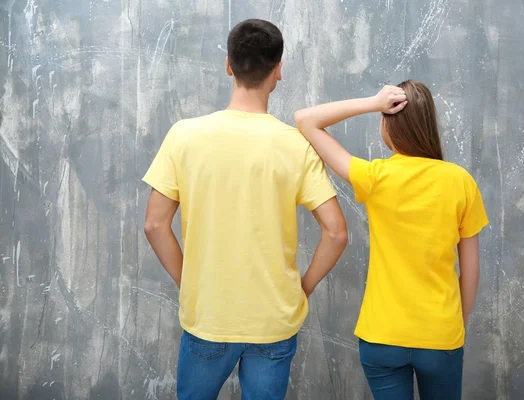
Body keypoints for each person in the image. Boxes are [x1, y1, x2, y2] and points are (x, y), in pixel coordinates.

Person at [142, 19, 348, 400]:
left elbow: (155, 225)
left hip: (208, 316)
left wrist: (191, 284)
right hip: (273, 319)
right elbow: (336, 232)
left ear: (228, 65)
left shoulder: (184, 135)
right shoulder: (296, 145)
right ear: (278, 70)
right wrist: (302, 289)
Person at [294, 81, 488, 400]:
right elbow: (471, 271)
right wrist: (454, 328)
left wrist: (374, 102)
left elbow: (306, 120)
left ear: (389, 124)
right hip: (440, 335)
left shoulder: (375, 177)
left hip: (382, 336)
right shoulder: (461, 182)